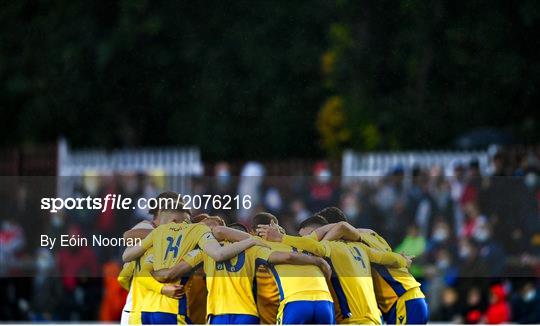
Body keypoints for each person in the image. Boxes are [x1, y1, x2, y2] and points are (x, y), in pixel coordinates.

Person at [153, 216, 332, 324]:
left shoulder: (204, 250)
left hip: (218, 315)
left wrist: (154, 273)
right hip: (247, 314)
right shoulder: (253, 248)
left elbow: (172, 272)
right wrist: (318, 262)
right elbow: (286, 257)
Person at [122, 195, 263, 324]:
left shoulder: (195, 248)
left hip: (149, 311)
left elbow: (128, 267)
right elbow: (128, 237)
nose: (218, 226)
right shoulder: (170, 234)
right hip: (165, 309)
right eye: (214, 223)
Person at [257, 214, 412, 324]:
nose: (302, 242)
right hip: (373, 320)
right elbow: (388, 258)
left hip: (352, 320)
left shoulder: (327, 247)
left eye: (305, 237)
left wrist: (282, 238)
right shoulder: (361, 247)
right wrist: (403, 260)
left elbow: (324, 241)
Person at [212, 212, 336, 324]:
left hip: (295, 302)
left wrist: (252, 238)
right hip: (325, 302)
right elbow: (335, 226)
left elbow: (219, 231)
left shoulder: (263, 244)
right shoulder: (302, 241)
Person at [318, 207, 428, 324]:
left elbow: (342, 227)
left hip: (401, 302)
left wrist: (318, 248)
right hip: (410, 298)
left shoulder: (353, 242)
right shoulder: (372, 233)